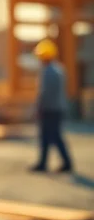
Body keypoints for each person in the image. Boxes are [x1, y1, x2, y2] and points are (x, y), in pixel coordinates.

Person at [30, 39, 73, 173]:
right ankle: (59, 163)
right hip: (58, 108)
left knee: (49, 136)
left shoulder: (47, 72)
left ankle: (50, 164)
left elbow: (44, 93)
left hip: (49, 109)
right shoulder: (59, 69)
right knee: (53, 136)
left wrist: (39, 108)